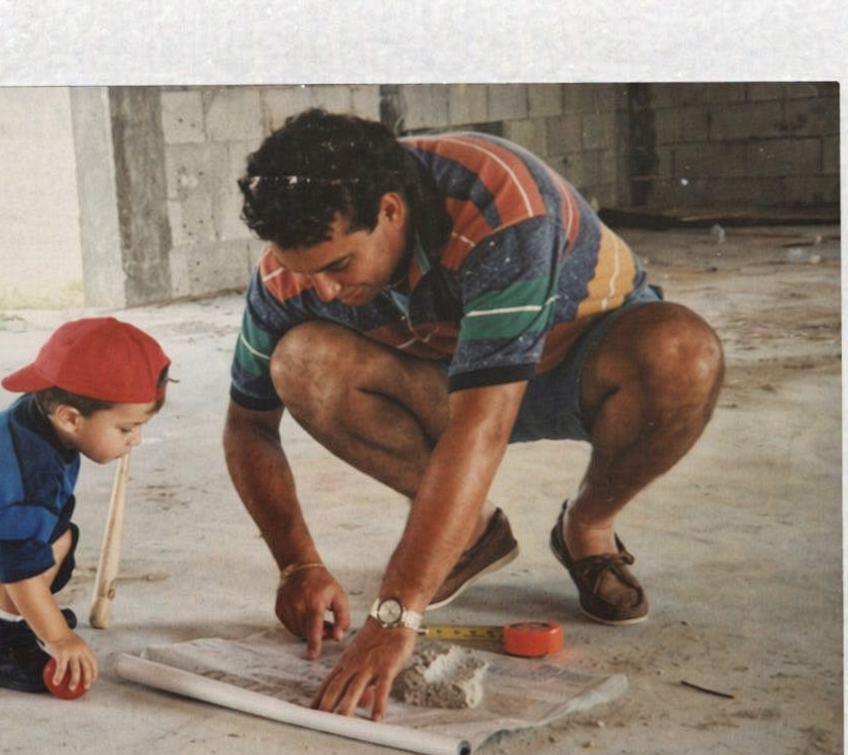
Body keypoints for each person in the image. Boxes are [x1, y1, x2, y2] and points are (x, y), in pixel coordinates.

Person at [224, 109, 724, 721]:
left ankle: (588, 527)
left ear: (390, 211)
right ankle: (473, 530)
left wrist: (396, 611)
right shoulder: (285, 271)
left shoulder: (499, 203)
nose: (322, 291)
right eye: (306, 271)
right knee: (299, 360)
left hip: (576, 361)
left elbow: (480, 427)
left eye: (337, 267)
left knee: (683, 356)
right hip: (447, 372)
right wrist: (297, 563)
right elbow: (248, 425)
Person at [0, 318, 170, 695]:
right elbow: (19, 565)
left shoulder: (39, 418)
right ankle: (0, 641)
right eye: (126, 428)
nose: (136, 440)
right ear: (70, 417)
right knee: (31, 552)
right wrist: (58, 637)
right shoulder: (25, 473)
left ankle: (17, 617)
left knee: (56, 536)